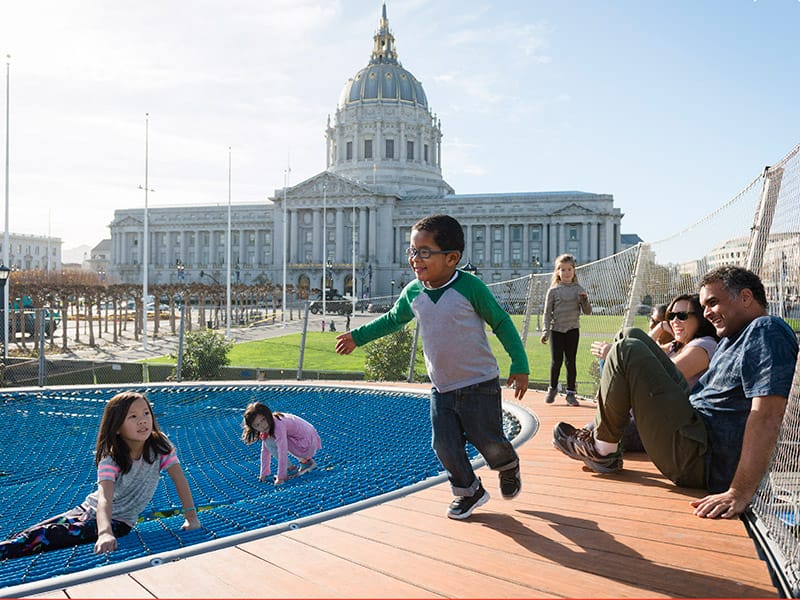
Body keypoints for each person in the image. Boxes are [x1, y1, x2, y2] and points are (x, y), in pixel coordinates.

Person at [553, 266, 798, 518]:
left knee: (626, 349)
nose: (707, 314)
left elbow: (768, 415)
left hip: (700, 457)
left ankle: (602, 450)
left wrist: (739, 491)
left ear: (746, 298)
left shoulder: (767, 330)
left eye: (713, 303)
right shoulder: (731, 339)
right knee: (631, 335)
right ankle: (601, 437)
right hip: (691, 426)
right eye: (703, 306)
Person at [335, 214, 529, 520]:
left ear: (452, 258)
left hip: (479, 384)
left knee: (489, 442)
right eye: (412, 251)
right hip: (442, 388)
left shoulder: (471, 287)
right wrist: (357, 337)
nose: (415, 259)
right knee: (444, 446)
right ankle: (468, 490)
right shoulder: (413, 291)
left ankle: (507, 465)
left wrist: (519, 363)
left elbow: (501, 322)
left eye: (424, 252)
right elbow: (392, 320)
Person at [0, 391, 201, 559]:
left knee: (44, 536)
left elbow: (179, 479)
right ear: (117, 428)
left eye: (146, 413)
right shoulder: (111, 459)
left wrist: (191, 517)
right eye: (132, 416)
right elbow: (104, 497)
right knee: (31, 532)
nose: (142, 421)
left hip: (118, 522)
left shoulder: (159, 445)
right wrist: (103, 532)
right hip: (88, 510)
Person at [589, 293, 719, 451]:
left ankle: (604, 449)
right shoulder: (676, 345)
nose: (675, 321)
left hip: (669, 426)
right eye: (671, 316)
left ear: (700, 318)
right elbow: (640, 344)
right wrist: (660, 327)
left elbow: (666, 374)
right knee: (626, 336)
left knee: (591, 434)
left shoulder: (704, 345)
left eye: (682, 316)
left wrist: (616, 354)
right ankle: (606, 428)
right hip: (644, 415)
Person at [540, 253, 592, 406]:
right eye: (562, 270)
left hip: (572, 330)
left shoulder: (579, 289)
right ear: (557, 272)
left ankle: (570, 393)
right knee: (556, 361)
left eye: (569, 269)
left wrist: (584, 300)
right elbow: (547, 313)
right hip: (557, 330)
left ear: (574, 271)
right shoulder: (553, 291)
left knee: (571, 362)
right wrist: (545, 331)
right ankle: (553, 388)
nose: (566, 273)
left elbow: (587, 311)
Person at [241, 402, 321, 485]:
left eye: (263, 419)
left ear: (268, 415)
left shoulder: (278, 425)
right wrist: (264, 473)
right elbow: (265, 451)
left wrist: (281, 477)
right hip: (308, 440)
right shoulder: (271, 424)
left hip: (307, 443)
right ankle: (306, 462)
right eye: (257, 425)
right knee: (268, 441)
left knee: (272, 441)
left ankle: (291, 470)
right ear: (253, 428)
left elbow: (282, 451)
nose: (262, 425)